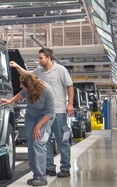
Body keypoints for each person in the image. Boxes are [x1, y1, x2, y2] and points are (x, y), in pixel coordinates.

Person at [10, 48, 74, 178]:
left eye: (40, 58)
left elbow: (70, 86)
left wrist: (70, 104)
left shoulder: (61, 70)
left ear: (48, 58)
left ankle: (65, 168)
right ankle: (49, 167)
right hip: (44, 114)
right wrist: (17, 66)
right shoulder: (38, 71)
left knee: (62, 140)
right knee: (45, 140)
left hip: (59, 110)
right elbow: (27, 76)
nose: (38, 60)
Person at [1, 73, 55, 186]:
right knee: (30, 144)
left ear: (29, 86)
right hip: (31, 116)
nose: (21, 86)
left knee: (38, 142)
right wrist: (10, 101)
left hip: (44, 117)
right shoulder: (28, 89)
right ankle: (36, 174)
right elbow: (21, 94)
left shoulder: (47, 91)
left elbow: (50, 113)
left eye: (22, 85)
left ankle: (41, 176)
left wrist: (38, 126)